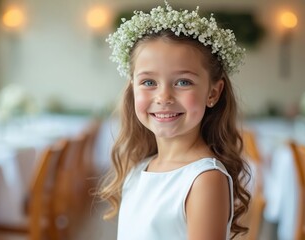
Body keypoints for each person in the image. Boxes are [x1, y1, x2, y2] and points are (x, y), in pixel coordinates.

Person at [98, 2, 251, 240]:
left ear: (213, 93)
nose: (164, 97)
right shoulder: (139, 168)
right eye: (149, 82)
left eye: (183, 82)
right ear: (133, 89)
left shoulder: (204, 179)